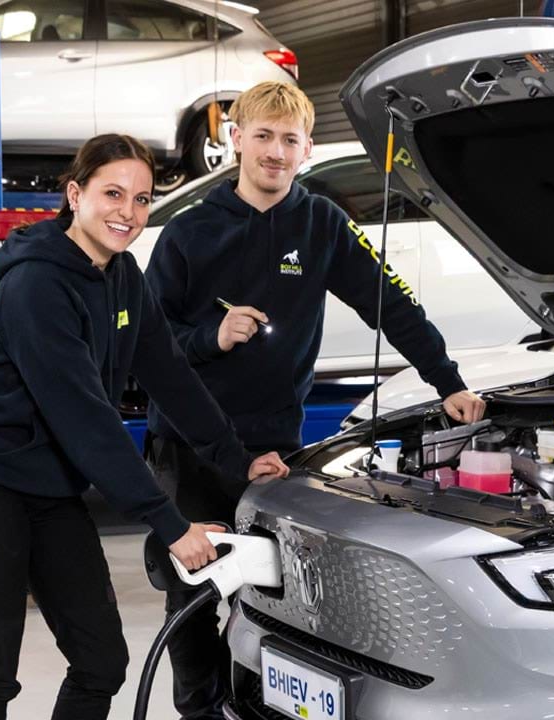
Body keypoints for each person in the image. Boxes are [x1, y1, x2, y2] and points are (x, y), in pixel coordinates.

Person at [144, 81, 486, 718]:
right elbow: (146, 347)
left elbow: (394, 307)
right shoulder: (187, 234)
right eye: (264, 135)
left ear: (305, 150)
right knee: (190, 599)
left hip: (276, 448)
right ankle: (200, 711)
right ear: (237, 138)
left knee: (280, 595)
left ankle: (253, 703)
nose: (276, 151)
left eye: (290, 139)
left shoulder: (323, 224)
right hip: (188, 449)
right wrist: (208, 338)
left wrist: (450, 382)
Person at [0, 133, 290, 720]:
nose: (128, 212)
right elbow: (85, 419)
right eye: (113, 193)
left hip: (50, 490)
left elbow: (170, 375)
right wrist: (169, 523)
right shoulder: (35, 285)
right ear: (75, 194)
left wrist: (237, 457)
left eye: (143, 199)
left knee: (101, 661)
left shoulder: (123, 275)